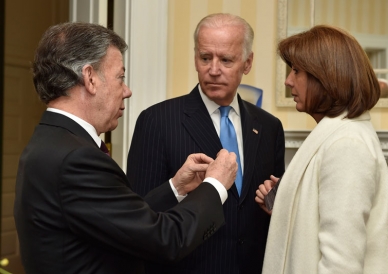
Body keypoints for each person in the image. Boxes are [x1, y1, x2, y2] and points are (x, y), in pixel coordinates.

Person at [13, 22, 239, 274]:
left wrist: (175, 187)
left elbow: (120, 220)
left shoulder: (52, 140)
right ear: (90, 78)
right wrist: (215, 185)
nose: (127, 91)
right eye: (120, 77)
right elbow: (166, 240)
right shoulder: (77, 158)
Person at [127, 13, 285, 274]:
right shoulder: (157, 121)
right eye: (205, 58)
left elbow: (269, 209)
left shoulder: (269, 127)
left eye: (225, 60)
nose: (213, 70)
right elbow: (139, 215)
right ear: (195, 59)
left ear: (247, 63)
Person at [255, 25, 388, 274]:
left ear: (326, 77)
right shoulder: (338, 134)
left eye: (296, 71)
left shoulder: (346, 145)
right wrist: (288, 201)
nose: (288, 81)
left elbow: (341, 264)